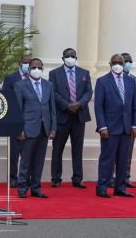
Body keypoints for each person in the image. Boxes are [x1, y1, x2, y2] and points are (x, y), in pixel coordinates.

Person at [94, 54, 136, 198]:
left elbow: (135, 105)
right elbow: (98, 106)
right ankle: (102, 187)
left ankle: (120, 187)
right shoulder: (102, 81)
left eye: (120, 62)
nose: (118, 64)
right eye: (115, 62)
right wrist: (102, 127)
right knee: (107, 159)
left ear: (124, 63)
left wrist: (135, 125)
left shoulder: (131, 81)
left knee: (123, 159)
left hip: (126, 128)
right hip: (109, 128)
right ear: (110, 64)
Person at [49, 48, 92, 189]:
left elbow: (88, 92)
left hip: (79, 116)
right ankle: (56, 178)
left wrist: (79, 104)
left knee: (77, 149)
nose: (70, 58)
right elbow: (53, 93)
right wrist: (67, 105)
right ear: (63, 58)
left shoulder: (84, 73)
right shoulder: (54, 74)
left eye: (72, 55)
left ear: (76, 57)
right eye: (67, 56)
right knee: (57, 149)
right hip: (62, 116)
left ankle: (77, 178)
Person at [14, 58, 56, 199]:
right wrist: (19, 129)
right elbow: (17, 110)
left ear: (43, 69)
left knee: (39, 160)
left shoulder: (48, 85)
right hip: (28, 128)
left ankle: (36, 188)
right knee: (26, 160)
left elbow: (52, 109)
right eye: (33, 67)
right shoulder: (20, 85)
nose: (36, 70)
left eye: (39, 67)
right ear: (29, 69)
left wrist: (53, 128)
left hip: (44, 128)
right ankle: (22, 187)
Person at [109, 53, 136, 188]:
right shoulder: (108, 79)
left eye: (130, 61)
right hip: (113, 124)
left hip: (129, 125)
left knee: (127, 153)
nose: (128, 63)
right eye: (126, 61)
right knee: (111, 153)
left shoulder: (135, 80)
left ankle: (125, 177)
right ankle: (111, 177)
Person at [2, 53, 32, 188]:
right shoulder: (11, 78)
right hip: (15, 118)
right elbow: (5, 98)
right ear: (20, 63)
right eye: (25, 62)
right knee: (14, 152)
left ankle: (25, 177)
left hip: (31, 119)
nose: (27, 65)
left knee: (28, 151)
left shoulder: (34, 77)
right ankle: (13, 177)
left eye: (29, 63)